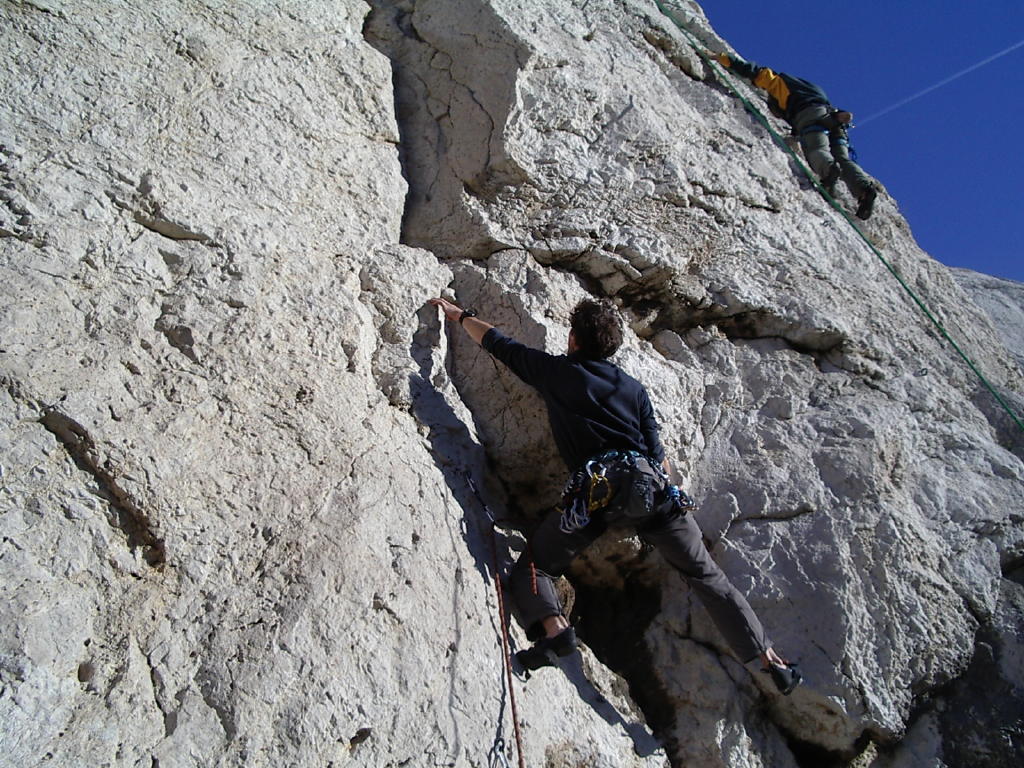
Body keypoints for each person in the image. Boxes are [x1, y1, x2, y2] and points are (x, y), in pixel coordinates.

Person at [429, 296, 802, 695]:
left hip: (596, 498)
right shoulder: (634, 389)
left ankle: (555, 630)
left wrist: (461, 316)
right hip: (653, 495)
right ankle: (770, 660)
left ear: (573, 339)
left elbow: (501, 345)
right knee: (707, 575)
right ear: (613, 346)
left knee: (536, 568)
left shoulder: (558, 373)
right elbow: (658, 457)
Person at [717, 52, 878, 220]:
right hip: (833, 118)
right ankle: (864, 189)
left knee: (817, 149)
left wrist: (723, 58)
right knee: (843, 159)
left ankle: (828, 170)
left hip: (810, 114)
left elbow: (757, 73)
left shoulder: (780, 83)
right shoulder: (810, 88)